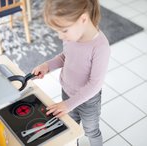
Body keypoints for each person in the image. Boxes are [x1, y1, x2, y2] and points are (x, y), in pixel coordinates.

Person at [32, 0, 110, 145]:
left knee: (91, 130)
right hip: (67, 92)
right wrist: (47, 65)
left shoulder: (100, 47)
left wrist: (69, 104)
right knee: (71, 126)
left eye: (64, 30)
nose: (60, 36)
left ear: (83, 19)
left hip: (88, 101)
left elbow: (95, 85)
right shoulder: (72, 36)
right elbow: (65, 56)